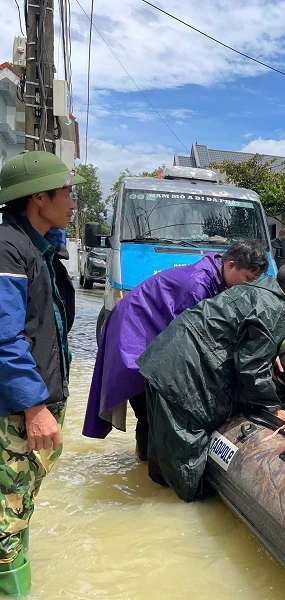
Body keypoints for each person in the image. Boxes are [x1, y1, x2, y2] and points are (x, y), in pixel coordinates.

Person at [136, 261, 285, 501]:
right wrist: (273, 410)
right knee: (187, 470)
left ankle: (153, 504)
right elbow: (250, 366)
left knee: (162, 459)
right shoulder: (276, 308)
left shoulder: (253, 290)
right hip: (183, 378)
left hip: (162, 361)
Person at [83, 239, 269, 459]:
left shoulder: (215, 277)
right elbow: (196, 343)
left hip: (150, 330)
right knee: (151, 406)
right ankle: (145, 465)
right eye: (247, 279)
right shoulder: (197, 286)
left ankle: (145, 458)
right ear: (229, 265)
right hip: (133, 335)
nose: (248, 287)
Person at [0, 151, 86, 595]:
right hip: (17, 412)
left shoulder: (37, 246)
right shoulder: (8, 247)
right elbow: (3, 337)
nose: (72, 202)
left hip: (35, 404)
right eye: (67, 192)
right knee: (4, 525)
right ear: (38, 196)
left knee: (18, 508)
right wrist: (34, 406)